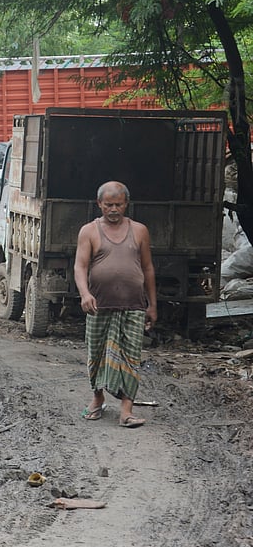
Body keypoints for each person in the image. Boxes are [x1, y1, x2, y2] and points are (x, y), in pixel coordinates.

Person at [73, 180, 157, 428]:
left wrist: (152, 305)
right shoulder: (88, 231)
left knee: (131, 357)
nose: (113, 210)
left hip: (133, 306)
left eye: (118, 204)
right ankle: (97, 399)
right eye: (108, 204)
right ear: (99, 204)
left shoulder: (139, 230)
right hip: (99, 305)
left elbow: (148, 268)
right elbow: (80, 266)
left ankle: (127, 411)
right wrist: (85, 294)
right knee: (96, 354)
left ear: (126, 204)